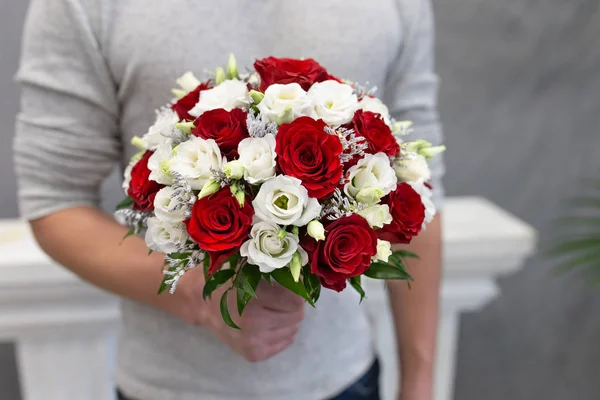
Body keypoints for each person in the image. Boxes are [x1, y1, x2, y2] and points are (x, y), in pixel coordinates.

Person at [14, 0, 444, 399]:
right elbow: (54, 198)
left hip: (346, 378)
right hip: (168, 387)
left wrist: (420, 381)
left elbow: (417, 184)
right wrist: (196, 294)